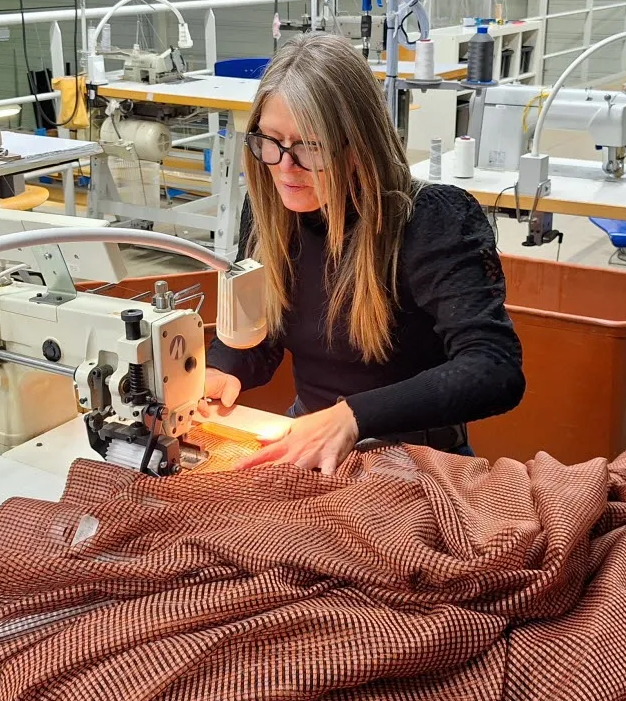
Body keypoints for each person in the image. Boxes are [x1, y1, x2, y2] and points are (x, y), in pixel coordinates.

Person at [204, 32, 524, 473]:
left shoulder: (432, 220)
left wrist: (353, 417)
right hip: (311, 439)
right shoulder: (268, 214)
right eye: (270, 140)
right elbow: (261, 340)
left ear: (358, 145)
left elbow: (493, 368)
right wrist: (219, 370)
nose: (284, 166)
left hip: (419, 461)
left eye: (310, 146)